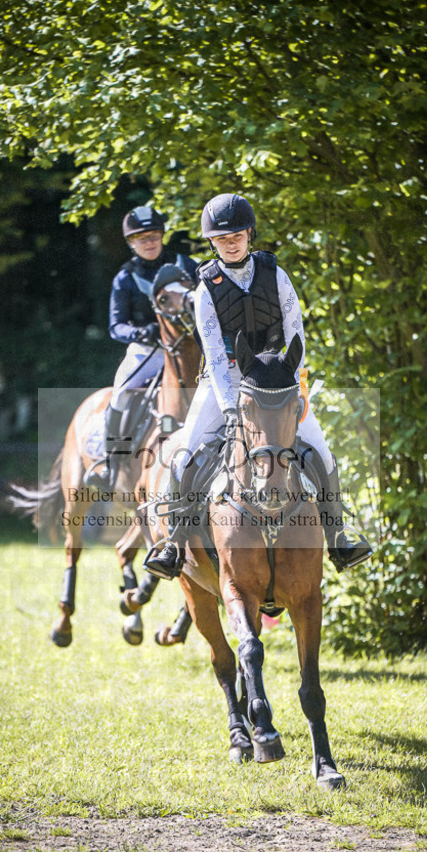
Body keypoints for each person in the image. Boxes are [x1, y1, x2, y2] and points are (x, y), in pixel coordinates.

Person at [145, 192, 373, 580]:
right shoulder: (205, 290)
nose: (230, 243)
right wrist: (230, 405)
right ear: (212, 243)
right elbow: (215, 351)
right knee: (184, 453)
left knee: (321, 451)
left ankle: (338, 536)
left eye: (236, 236)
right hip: (227, 379)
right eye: (221, 239)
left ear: (249, 234)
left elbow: (295, 332)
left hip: (277, 378)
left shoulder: (275, 275)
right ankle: (174, 542)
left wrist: (295, 384)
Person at [104, 205, 198, 460]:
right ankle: (110, 459)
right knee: (121, 392)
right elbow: (116, 327)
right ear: (131, 242)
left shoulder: (185, 265)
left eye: (154, 236)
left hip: (190, 349)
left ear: (162, 236)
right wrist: (141, 333)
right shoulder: (125, 278)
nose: (149, 242)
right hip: (147, 352)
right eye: (141, 238)